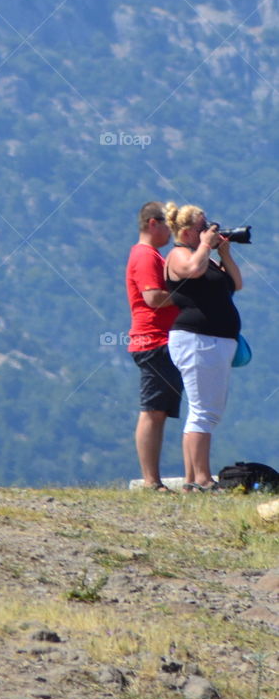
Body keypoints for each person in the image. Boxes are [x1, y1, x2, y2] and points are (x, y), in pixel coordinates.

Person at [163, 202, 243, 492]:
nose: (209, 230)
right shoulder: (178, 255)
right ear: (186, 232)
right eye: (202, 226)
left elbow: (237, 283)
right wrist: (206, 247)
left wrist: (224, 254)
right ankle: (202, 479)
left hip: (216, 341)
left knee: (209, 411)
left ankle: (192, 481)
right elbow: (193, 270)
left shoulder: (206, 257)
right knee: (203, 412)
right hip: (196, 339)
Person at [125, 201, 181, 490]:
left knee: (159, 411)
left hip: (161, 340)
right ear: (152, 224)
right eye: (168, 225)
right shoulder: (146, 256)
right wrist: (189, 293)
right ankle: (150, 480)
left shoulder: (152, 255)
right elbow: (154, 298)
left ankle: (153, 479)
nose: (172, 231)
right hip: (153, 340)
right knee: (152, 411)